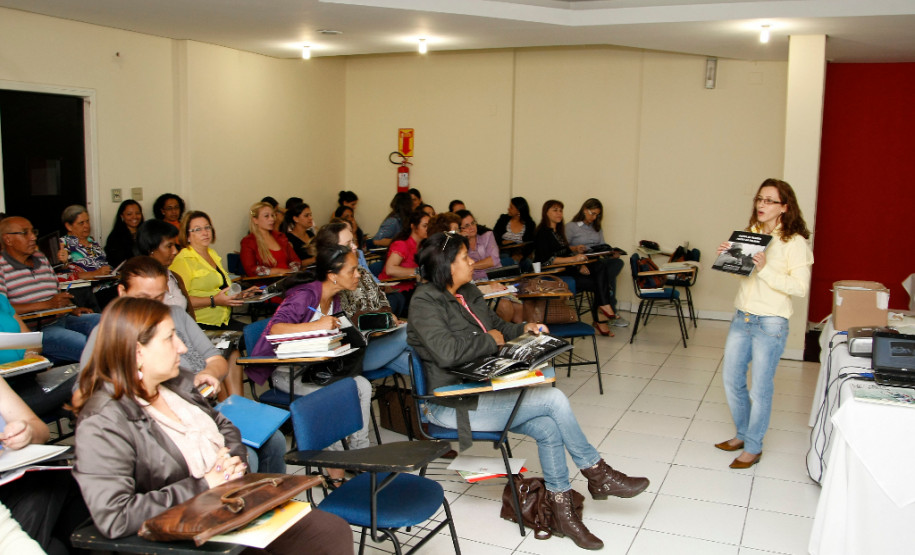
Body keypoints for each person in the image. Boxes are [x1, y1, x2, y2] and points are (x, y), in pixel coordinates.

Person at [407, 232, 649, 550]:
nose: (471, 261)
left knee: (549, 426)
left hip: (482, 389)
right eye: (465, 257)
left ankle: (562, 511)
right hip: (450, 402)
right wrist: (491, 339)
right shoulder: (424, 301)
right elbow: (448, 352)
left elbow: (498, 326)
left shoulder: (467, 291)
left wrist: (525, 329)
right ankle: (597, 473)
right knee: (553, 398)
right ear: (446, 267)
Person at [71, 297, 354, 553]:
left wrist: (232, 461)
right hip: (187, 527)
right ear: (137, 352)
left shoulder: (176, 382)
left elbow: (223, 424)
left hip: (229, 501)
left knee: (330, 530)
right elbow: (114, 516)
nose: (182, 348)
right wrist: (204, 483)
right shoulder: (103, 420)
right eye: (170, 338)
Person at [79, 257, 275, 458]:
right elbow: (84, 395)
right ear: (122, 293)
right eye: (143, 297)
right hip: (164, 420)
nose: (152, 306)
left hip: (199, 407)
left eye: (159, 298)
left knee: (272, 440)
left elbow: (215, 358)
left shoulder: (176, 314)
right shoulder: (110, 332)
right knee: (247, 454)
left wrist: (209, 374)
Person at [715, 179, 813, 469]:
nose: (761, 204)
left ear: (784, 207)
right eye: (760, 198)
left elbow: (800, 288)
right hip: (742, 316)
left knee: (760, 388)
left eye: (770, 200)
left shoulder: (794, 242)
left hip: (771, 322)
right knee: (731, 380)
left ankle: (754, 446)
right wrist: (730, 258)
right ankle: (742, 434)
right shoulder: (751, 234)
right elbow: (741, 275)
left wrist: (765, 269)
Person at [249, 245, 373, 452]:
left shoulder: (335, 298)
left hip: (320, 370)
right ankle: (337, 461)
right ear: (332, 275)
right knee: (334, 395)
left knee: (363, 385)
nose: (358, 275)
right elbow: (276, 329)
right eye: (352, 270)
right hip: (291, 373)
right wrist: (317, 325)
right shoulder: (304, 296)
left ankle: (359, 450)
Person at [0, 375, 89, 554]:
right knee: (45, 491)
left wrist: (27, 432)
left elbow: (40, 430)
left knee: (75, 483)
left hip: (16, 475)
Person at [315, 223, 414, 376]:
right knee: (411, 333)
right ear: (333, 251)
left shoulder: (360, 272)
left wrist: (387, 318)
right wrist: (383, 319)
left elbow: (382, 301)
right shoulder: (329, 282)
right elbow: (349, 324)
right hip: (353, 353)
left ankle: (441, 387)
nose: (355, 247)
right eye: (349, 244)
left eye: (353, 241)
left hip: (380, 341)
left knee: (413, 358)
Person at [0, 216, 101, 363]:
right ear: (8, 239)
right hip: (37, 330)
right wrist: (47, 305)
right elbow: (4, 310)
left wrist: (69, 308)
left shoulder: (40, 258)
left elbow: (54, 293)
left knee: (105, 324)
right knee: (86, 345)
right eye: (25, 233)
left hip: (63, 318)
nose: (33, 237)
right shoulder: (1, 266)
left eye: (33, 231)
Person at [533, 200, 618, 337]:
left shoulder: (558, 232)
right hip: (554, 273)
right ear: (546, 212)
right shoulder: (543, 233)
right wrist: (574, 260)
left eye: (561, 210)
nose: (559, 213)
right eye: (555, 210)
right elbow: (546, 260)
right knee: (600, 283)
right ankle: (602, 312)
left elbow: (566, 252)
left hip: (568, 268)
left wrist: (579, 264)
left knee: (599, 266)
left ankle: (603, 310)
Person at [170, 211, 256, 330]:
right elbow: (179, 300)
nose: (205, 232)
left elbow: (220, 288)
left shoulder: (212, 254)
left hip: (223, 320)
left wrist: (241, 295)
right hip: (200, 324)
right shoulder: (183, 260)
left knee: (258, 333)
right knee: (252, 336)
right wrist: (213, 300)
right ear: (187, 236)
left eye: (207, 227)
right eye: (197, 229)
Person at [566, 198, 628, 329]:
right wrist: (576, 250)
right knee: (604, 274)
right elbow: (563, 249)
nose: (594, 217)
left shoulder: (597, 228)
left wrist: (611, 253)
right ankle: (607, 306)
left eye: (597, 215)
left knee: (617, 263)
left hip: (596, 260)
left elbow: (602, 246)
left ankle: (603, 303)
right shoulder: (571, 227)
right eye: (592, 213)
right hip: (580, 262)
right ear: (584, 210)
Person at [136, 219, 194, 317]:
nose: (175, 251)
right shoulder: (140, 282)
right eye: (169, 246)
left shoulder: (175, 278)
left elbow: (190, 318)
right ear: (151, 250)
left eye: (175, 245)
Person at [378, 210, 429, 304]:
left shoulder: (422, 246)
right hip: (395, 290)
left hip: (412, 287)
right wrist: (418, 271)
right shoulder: (402, 244)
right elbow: (390, 270)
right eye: (425, 226)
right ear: (413, 226)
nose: (428, 229)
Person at [240, 201, 301, 276]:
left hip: (289, 280)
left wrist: (292, 272)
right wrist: (281, 272)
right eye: (266, 216)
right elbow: (251, 270)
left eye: (273, 215)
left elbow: (295, 260)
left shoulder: (280, 237)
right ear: (255, 220)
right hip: (268, 284)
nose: (272, 219)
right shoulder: (248, 242)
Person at [58, 204, 112, 278]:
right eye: (81, 223)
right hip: (88, 288)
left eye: (87, 221)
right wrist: (95, 273)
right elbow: (66, 275)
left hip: (108, 283)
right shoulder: (64, 244)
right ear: (69, 226)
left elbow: (101, 263)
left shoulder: (92, 242)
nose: (86, 226)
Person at [492, 196, 536, 270]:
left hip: (521, 254)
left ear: (518, 210)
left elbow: (531, 244)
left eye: (511, 207)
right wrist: (503, 242)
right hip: (504, 252)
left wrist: (521, 255)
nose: (508, 209)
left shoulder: (530, 224)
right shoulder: (503, 219)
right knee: (506, 259)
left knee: (527, 263)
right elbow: (494, 236)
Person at [104, 199, 144, 268]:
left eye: (137, 213)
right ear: (122, 216)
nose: (134, 217)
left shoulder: (146, 232)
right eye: (129, 214)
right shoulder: (115, 237)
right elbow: (117, 263)